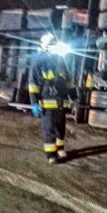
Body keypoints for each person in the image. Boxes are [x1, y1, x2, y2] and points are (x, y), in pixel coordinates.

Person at [28, 33, 75, 165]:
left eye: (55, 44)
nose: (54, 47)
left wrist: (74, 97)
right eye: (51, 44)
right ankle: (51, 154)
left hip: (61, 103)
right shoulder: (38, 62)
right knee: (48, 130)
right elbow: (33, 85)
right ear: (45, 46)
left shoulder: (61, 61)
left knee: (60, 129)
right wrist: (34, 103)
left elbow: (69, 82)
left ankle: (60, 149)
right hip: (47, 105)